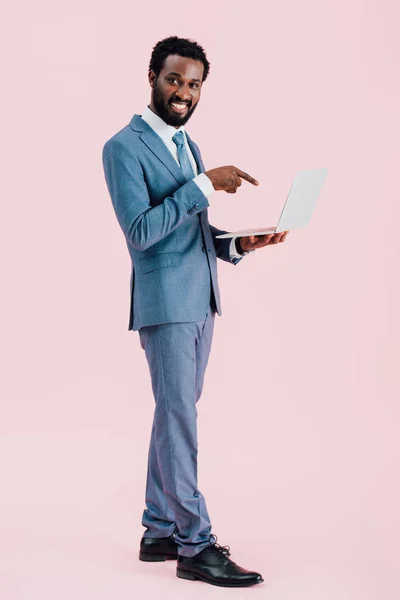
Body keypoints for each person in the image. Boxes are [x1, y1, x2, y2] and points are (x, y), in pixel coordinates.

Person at [102, 35, 289, 588]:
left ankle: (159, 528)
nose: (184, 92)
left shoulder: (188, 144)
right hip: (165, 305)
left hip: (201, 299)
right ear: (152, 77)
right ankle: (194, 545)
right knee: (180, 419)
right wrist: (203, 185)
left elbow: (189, 228)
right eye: (175, 80)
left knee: (172, 414)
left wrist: (235, 245)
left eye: (195, 83)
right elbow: (141, 233)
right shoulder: (123, 147)